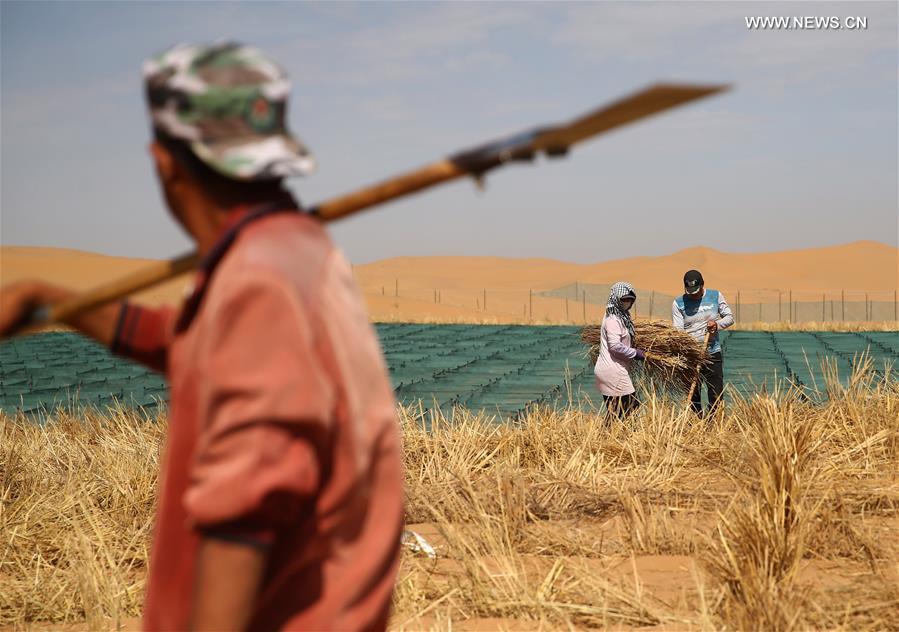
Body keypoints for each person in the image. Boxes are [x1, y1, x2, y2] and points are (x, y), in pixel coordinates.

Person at [0, 42, 404, 631]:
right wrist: (49, 298)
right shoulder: (298, 249)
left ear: (163, 161)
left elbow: (247, 505)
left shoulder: (257, 281)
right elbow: (198, 344)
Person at [672, 269, 734, 417]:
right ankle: (697, 422)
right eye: (690, 291)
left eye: (696, 290)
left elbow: (730, 318)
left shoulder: (715, 296)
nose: (693, 294)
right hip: (691, 355)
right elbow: (678, 330)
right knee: (693, 394)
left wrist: (717, 325)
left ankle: (713, 423)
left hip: (712, 352)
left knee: (715, 393)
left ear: (703, 285)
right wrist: (688, 347)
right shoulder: (678, 303)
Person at [593, 282, 649, 419]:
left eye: (630, 299)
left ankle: (605, 438)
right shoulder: (613, 319)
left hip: (611, 370)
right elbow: (615, 346)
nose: (627, 302)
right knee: (632, 410)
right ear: (616, 299)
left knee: (616, 414)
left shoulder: (620, 317)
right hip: (613, 372)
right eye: (623, 299)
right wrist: (635, 353)